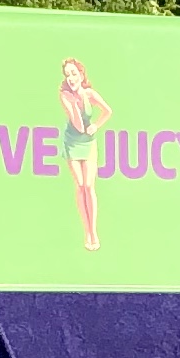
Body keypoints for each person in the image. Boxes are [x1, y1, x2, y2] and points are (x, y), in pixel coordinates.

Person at [58, 57, 112, 252]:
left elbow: (107, 111)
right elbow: (78, 125)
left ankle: (93, 231)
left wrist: (96, 125)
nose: (71, 78)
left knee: (89, 186)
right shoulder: (65, 96)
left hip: (88, 142)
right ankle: (86, 232)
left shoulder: (90, 94)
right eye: (67, 75)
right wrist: (72, 104)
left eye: (74, 73)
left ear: (81, 75)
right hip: (72, 141)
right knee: (80, 185)